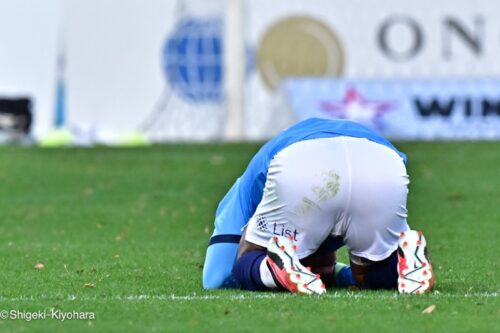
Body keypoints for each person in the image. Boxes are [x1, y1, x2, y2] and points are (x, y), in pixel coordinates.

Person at [202, 118, 434, 294]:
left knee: (247, 258)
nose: (321, 273)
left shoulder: (246, 186)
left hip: (303, 163)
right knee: (369, 275)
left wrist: (257, 261)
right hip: (383, 162)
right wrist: (337, 272)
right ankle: (406, 265)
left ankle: (273, 268)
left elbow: (215, 279)